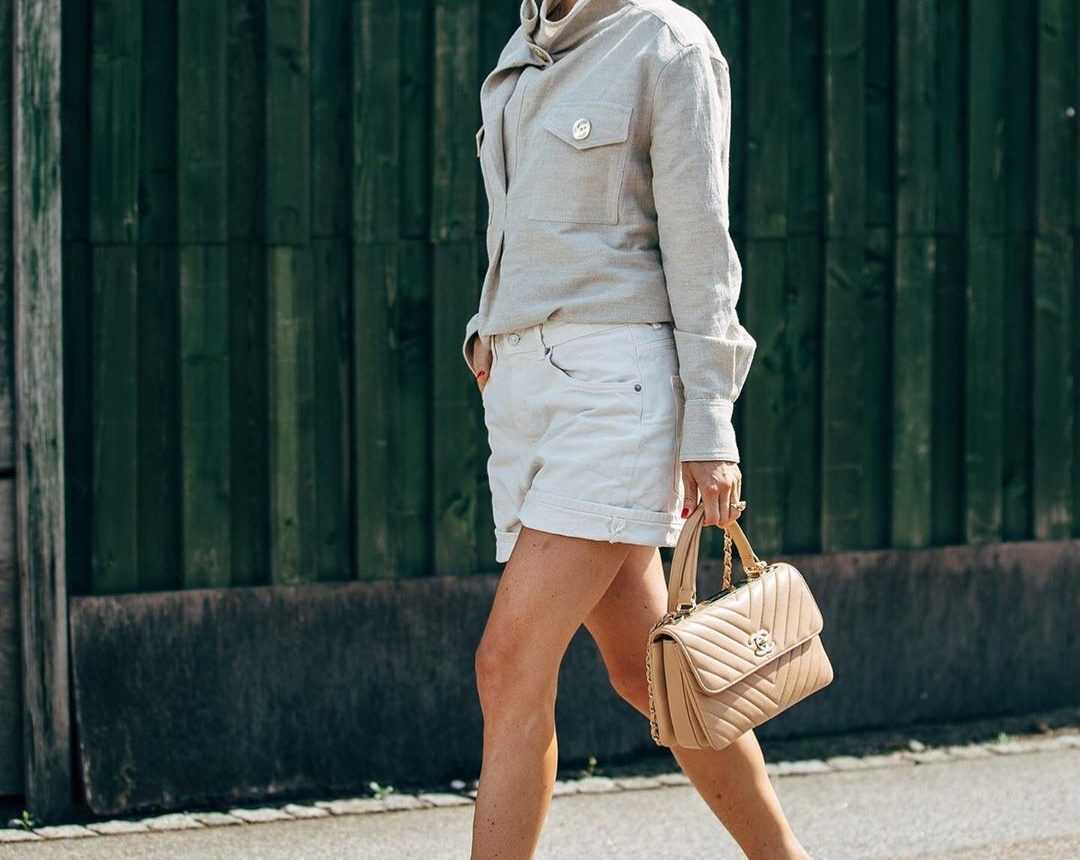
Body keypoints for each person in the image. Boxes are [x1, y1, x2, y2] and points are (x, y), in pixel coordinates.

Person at [462, 1, 811, 858]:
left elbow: (701, 244)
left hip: (612, 390)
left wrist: (712, 425)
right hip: (525, 399)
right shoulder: (525, 47)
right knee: (652, 674)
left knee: (508, 665)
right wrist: (487, 331)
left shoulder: (666, 42)